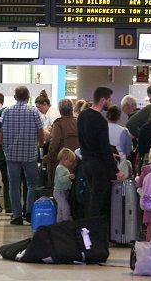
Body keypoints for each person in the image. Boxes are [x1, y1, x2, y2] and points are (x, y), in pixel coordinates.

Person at [0, 85, 45, 226]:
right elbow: (40, 132)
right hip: (30, 154)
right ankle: (29, 212)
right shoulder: (33, 111)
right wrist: (40, 144)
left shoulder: (6, 111)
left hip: (11, 155)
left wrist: (4, 146)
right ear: (28, 97)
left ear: (15, 97)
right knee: (32, 184)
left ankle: (17, 216)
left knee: (14, 185)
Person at [77, 87, 118, 219]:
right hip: (99, 166)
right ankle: (95, 231)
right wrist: (116, 170)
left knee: (90, 198)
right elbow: (105, 148)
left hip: (86, 162)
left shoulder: (82, 115)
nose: (111, 103)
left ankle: (87, 230)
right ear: (102, 100)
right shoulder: (100, 121)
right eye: (109, 100)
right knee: (98, 201)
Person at [45, 99, 79, 183]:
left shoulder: (58, 123)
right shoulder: (79, 121)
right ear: (72, 109)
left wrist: (49, 157)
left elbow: (54, 143)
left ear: (60, 110)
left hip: (63, 160)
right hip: (78, 160)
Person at [53, 148, 77, 222]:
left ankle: (60, 222)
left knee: (60, 208)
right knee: (65, 207)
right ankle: (66, 221)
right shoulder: (60, 168)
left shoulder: (63, 168)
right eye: (70, 161)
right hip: (59, 192)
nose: (71, 163)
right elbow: (61, 180)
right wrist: (69, 177)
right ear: (64, 159)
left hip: (62, 192)